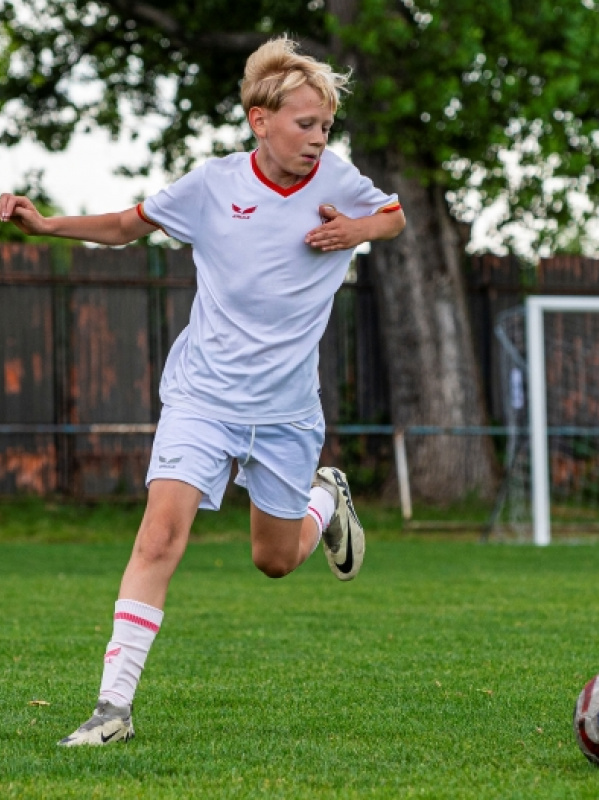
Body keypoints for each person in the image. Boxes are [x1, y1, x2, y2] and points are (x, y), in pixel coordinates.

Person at [0, 35, 405, 746]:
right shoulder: (213, 184)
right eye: (304, 124)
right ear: (259, 119)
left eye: (325, 127)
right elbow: (130, 225)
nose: (317, 139)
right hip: (203, 398)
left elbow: (394, 216)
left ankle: (324, 498)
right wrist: (46, 224)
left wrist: (357, 229)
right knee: (159, 537)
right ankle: (112, 710)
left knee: (275, 561)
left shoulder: (336, 177)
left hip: (284, 412)